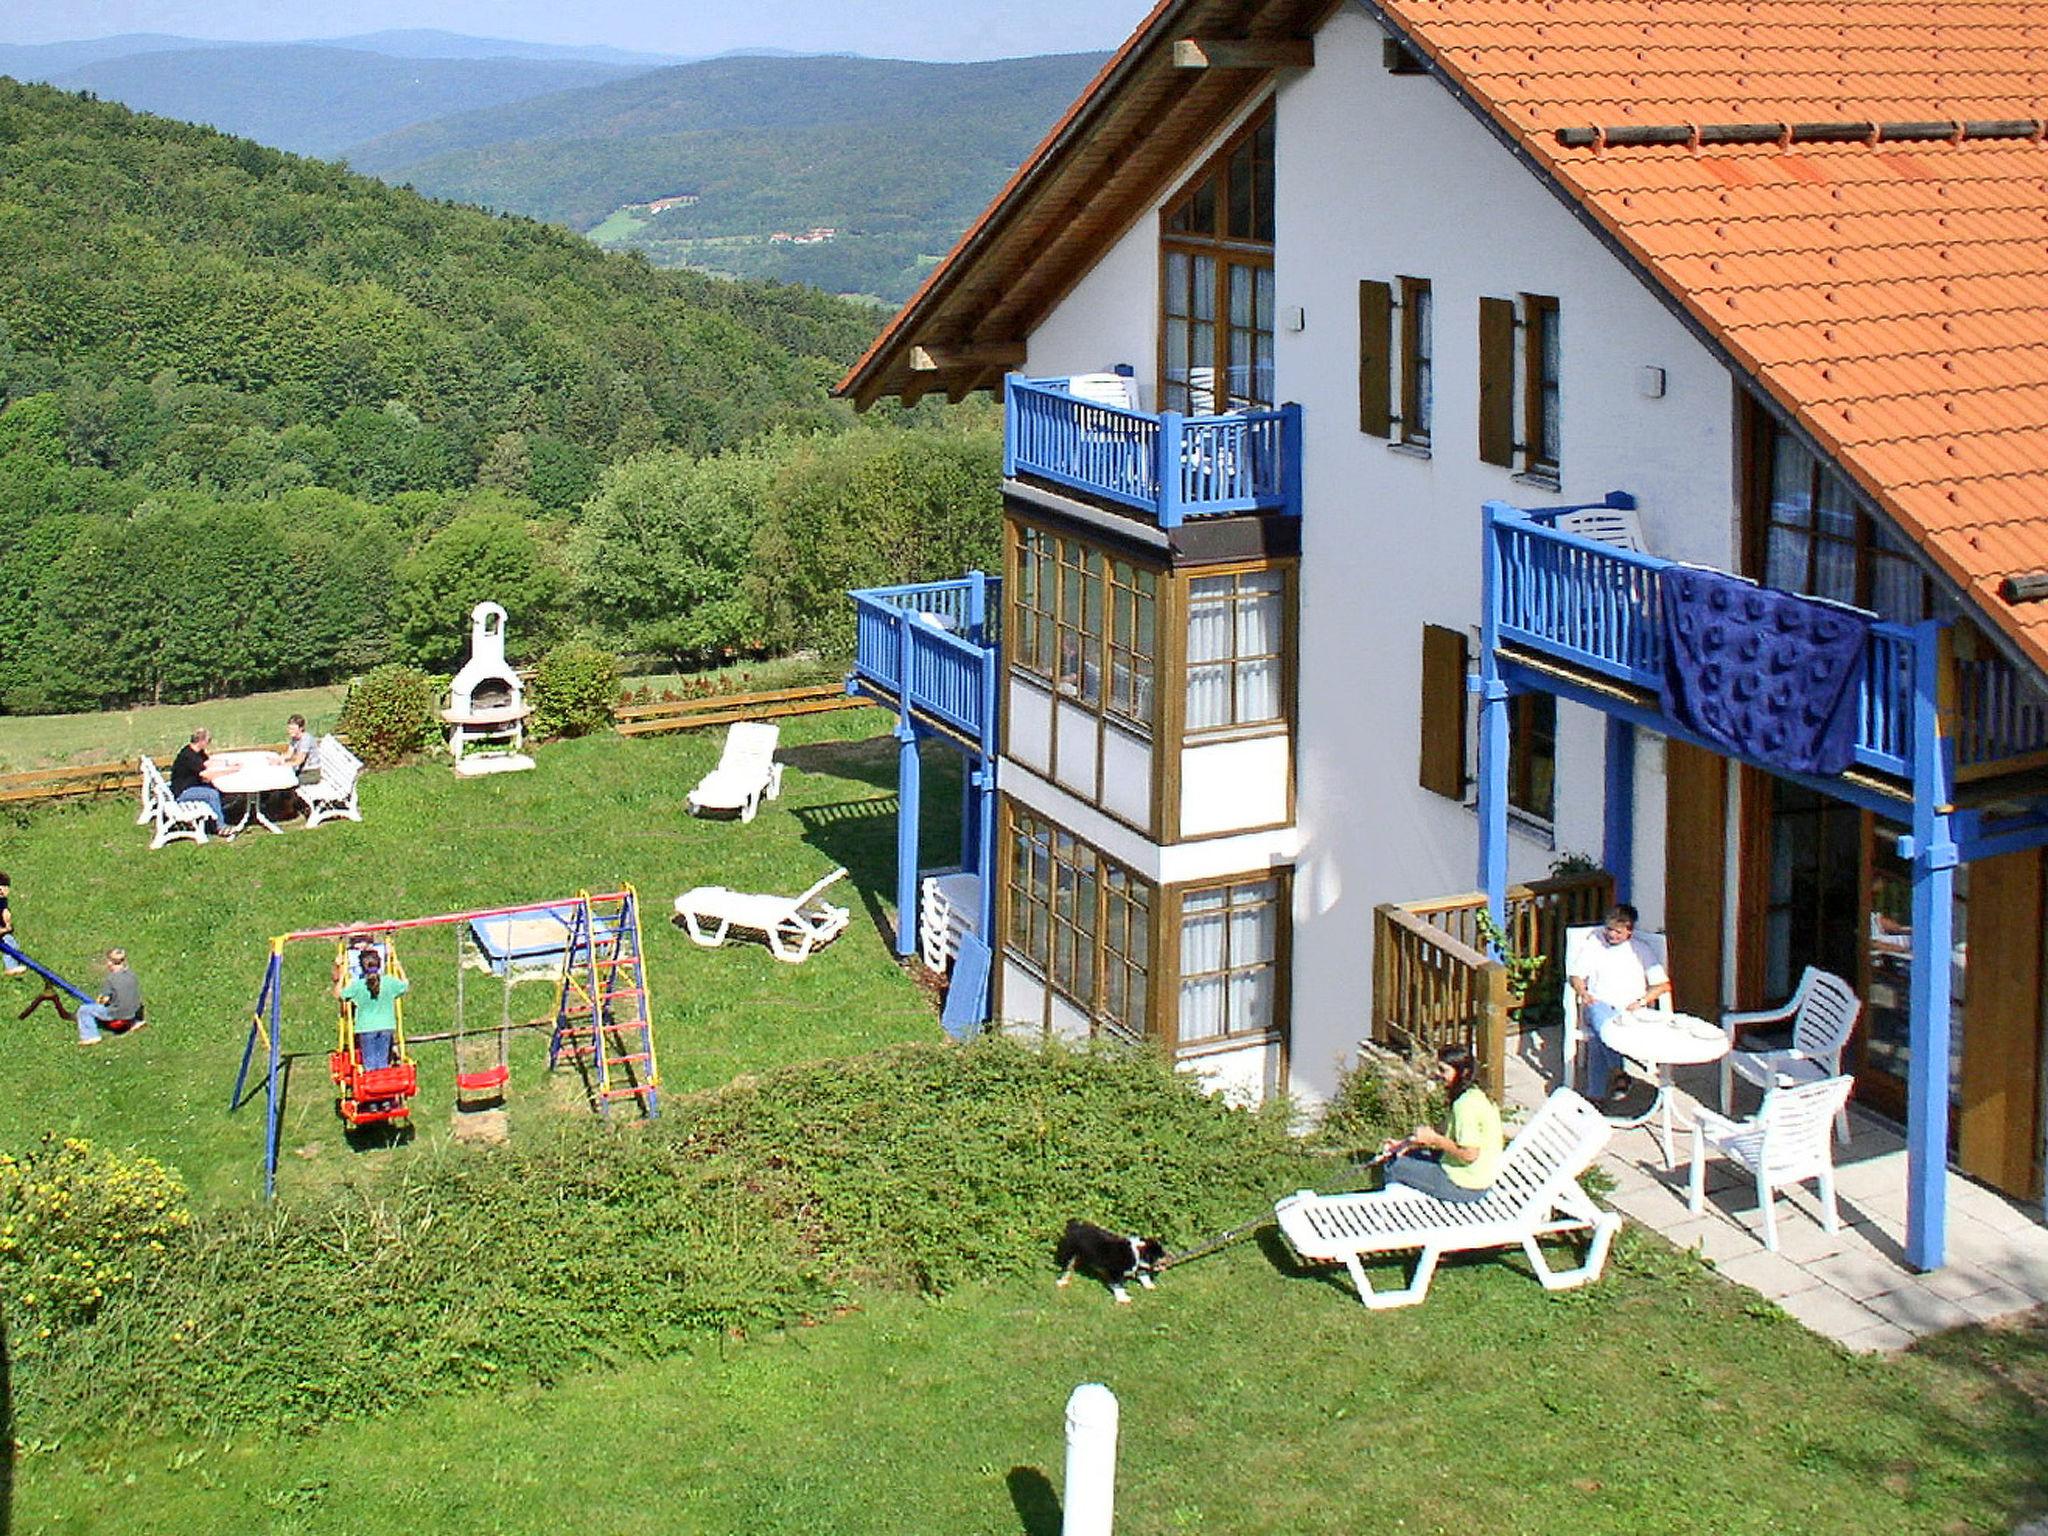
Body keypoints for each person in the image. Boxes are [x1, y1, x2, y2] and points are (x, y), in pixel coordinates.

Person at [1568, 903, 1671, 1104]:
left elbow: (1662, 985)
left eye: (1618, 931)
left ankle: (1595, 1095)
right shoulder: (1594, 945)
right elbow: (1576, 976)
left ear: (1629, 931)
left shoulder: (1641, 950)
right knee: (1602, 1022)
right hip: (1599, 1004)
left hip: (1628, 1010)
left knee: (1599, 1038)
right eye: (1609, 929)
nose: (1612, 935)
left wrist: (1641, 1001)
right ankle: (1619, 1071)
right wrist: (1583, 992)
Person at [1378, 1043, 1503, 1202]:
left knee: (1393, 1166)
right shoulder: (1475, 1094)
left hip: (1466, 1185)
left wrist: (1434, 1140)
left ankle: (1393, 1212)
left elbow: (1470, 1154)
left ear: (1462, 1072)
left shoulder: (1465, 1106)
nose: (1439, 1074)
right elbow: (1443, 1129)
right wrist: (1405, 1144)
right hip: (1476, 1176)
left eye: (1444, 1070)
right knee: (1404, 1154)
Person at [333, 941, 409, 1072]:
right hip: (386, 1026)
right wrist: (398, 967)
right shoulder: (389, 982)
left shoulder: (358, 986)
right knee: (383, 1064)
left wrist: (342, 976)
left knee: (370, 1065)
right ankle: (384, 1089)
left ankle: (372, 1089)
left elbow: (339, 994)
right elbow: (405, 985)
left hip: (366, 1028)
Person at [168, 728, 234, 839]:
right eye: (208, 741)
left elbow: (207, 763)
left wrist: (228, 763)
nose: (209, 744)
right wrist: (230, 771)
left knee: (214, 788)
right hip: (183, 791)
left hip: (191, 785)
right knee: (212, 794)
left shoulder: (196, 752)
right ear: (202, 741)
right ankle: (220, 826)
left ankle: (219, 813)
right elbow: (206, 775)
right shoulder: (188, 756)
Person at [74, 948, 145, 1047]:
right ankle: (136, 1022)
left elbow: (104, 1000)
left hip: (118, 1016)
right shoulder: (132, 975)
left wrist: (100, 1000)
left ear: (110, 963)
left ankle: (90, 1036)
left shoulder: (111, 979)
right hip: (133, 1013)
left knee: (84, 1010)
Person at [0, 870, 24, 975]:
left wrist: (8, 926)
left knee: (12, 945)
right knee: (10, 946)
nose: (3, 890)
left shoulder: (3, 902)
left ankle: (13, 967)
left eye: (6, 887)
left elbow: (5, 916)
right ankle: (11, 968)